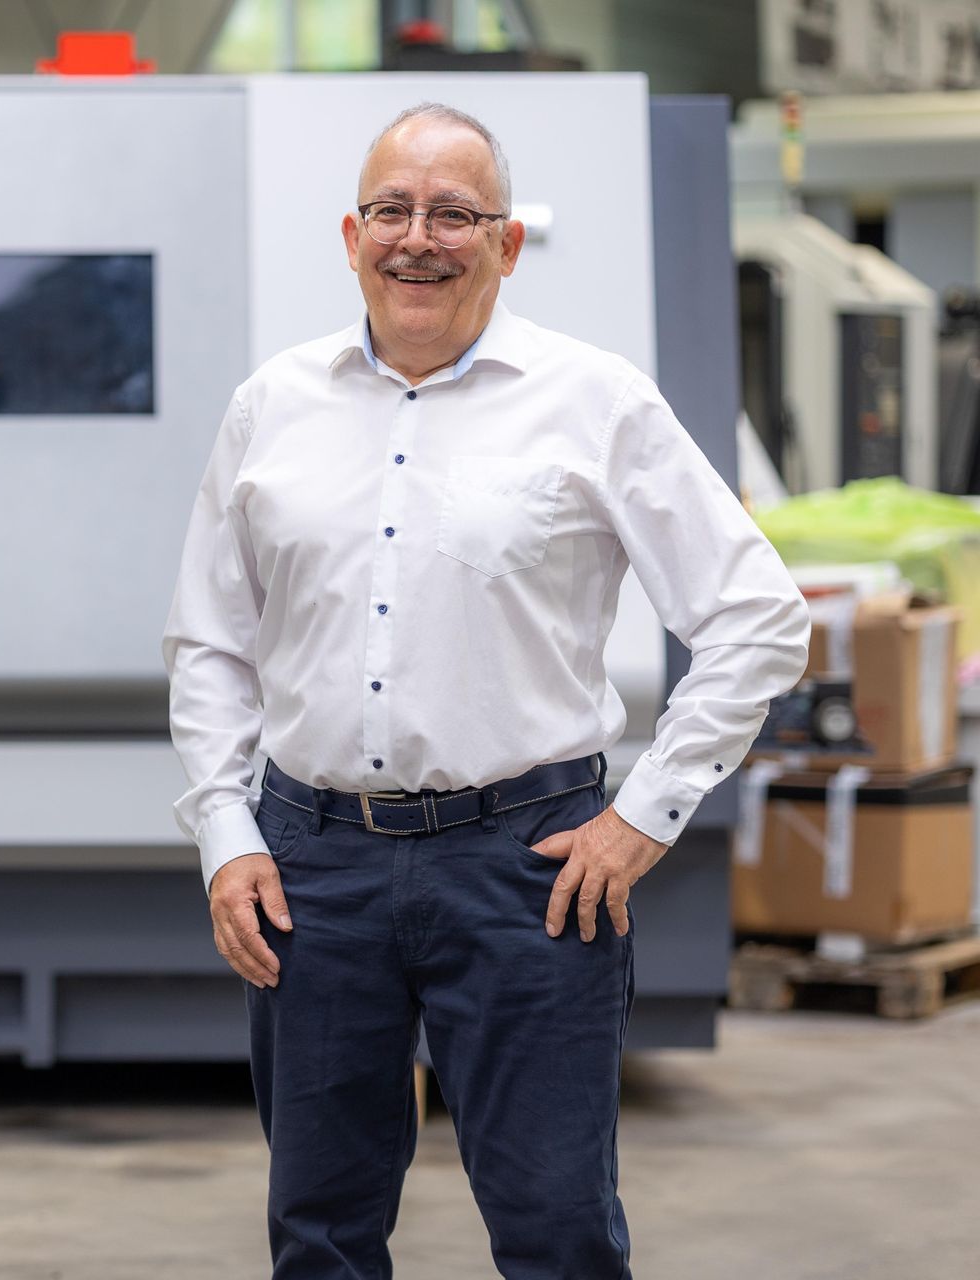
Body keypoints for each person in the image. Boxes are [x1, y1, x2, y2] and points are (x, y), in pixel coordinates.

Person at [162, 102, 809, 1279]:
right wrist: (223, 829)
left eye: (456, 212)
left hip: (531, 865)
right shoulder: (273, 406)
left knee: (557, 1227)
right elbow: (212, 640)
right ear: (350, 235)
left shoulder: (595, 401)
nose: (421, 237)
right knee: (319, 1230)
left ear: (506, 245)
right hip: (312, 866)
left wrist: (642, 816)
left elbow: (758, 616)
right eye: (393, 210)